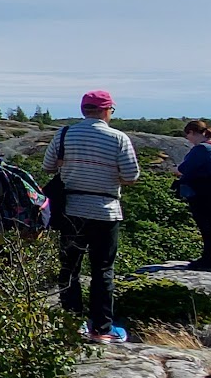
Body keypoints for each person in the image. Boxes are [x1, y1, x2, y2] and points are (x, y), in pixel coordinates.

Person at [43, 90, 140, 343]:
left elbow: (48, 166)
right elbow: (131, 176)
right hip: (106, 210)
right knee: (103, 270)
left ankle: (72, 323)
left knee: (69, 268)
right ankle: (102, 329)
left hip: (71, 210)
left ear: (83, 110)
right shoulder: (118, 138)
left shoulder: (64, 134)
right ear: (106, 111)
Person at [175, 120, 211, 272]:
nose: (188, 139)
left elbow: (183, 168)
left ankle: (207, 261)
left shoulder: (202, 148)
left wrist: (175, 170)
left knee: (208, 226)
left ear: (192, 132)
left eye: (188, 135)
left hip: (202, 192)